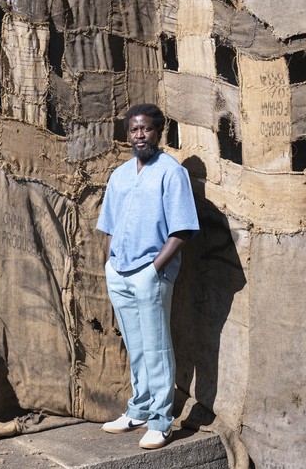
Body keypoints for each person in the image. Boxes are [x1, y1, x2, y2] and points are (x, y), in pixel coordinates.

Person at [95, 103, 199, 450]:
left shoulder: (171, 172)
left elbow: (182, 229)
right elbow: (108, 224)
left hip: (150, 274)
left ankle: (161, 421)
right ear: (128, 134)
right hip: (119, 272)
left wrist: (154, 269)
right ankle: (138, 410)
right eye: (134, 130)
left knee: (156, 348)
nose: (140, 135)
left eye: (147, 129)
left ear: (159, 132)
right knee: (136, 347)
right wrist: (110, 262)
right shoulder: (121, 175)